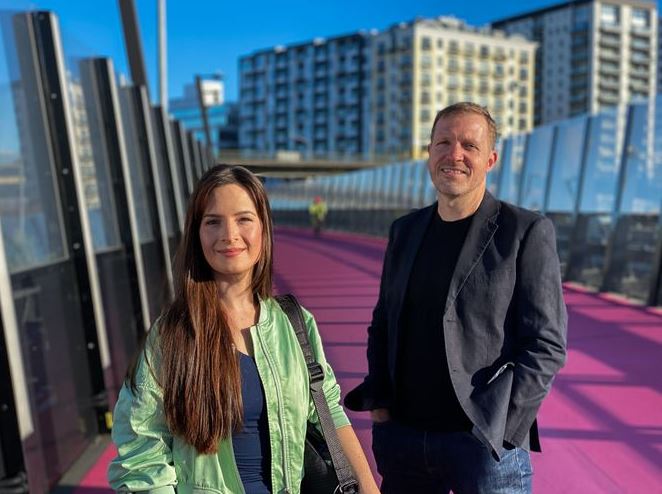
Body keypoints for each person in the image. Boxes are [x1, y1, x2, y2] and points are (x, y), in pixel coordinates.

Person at [108, 165, 379, 494]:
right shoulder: (172, 336)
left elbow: (328, 411)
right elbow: (141, 452)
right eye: (213, 222)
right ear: (197, 234)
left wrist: (369, 488)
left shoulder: (294, 323)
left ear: (263, 229)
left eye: (243, 219)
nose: (229, 235)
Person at [344, 102, 568, 493]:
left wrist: (504, 427)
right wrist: (380, 405)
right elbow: (383, 322)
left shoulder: (525, 231)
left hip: (483, 446)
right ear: (429, 152)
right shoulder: (404, 231)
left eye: (469, 145)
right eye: (444, 143)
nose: (455, 154)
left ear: (490, 160)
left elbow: (546, 343)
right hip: (405, 440)